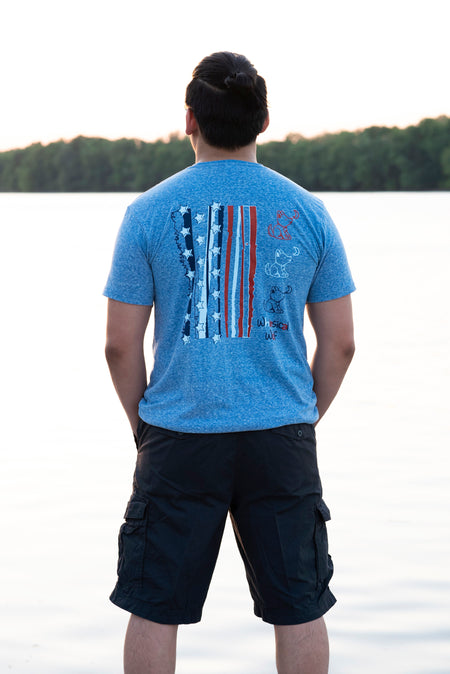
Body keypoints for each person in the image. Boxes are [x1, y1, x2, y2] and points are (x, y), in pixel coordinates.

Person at [104, 51, 355, 674]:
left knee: (155, 605)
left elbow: (118, 345)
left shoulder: (147, 212)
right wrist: (300, 416)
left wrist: (146, 427)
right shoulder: (308, 212)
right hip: (280, 437)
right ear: (263, 121)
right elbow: (342, 344)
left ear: (189, 119)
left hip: (180, 436)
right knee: (299, 605)